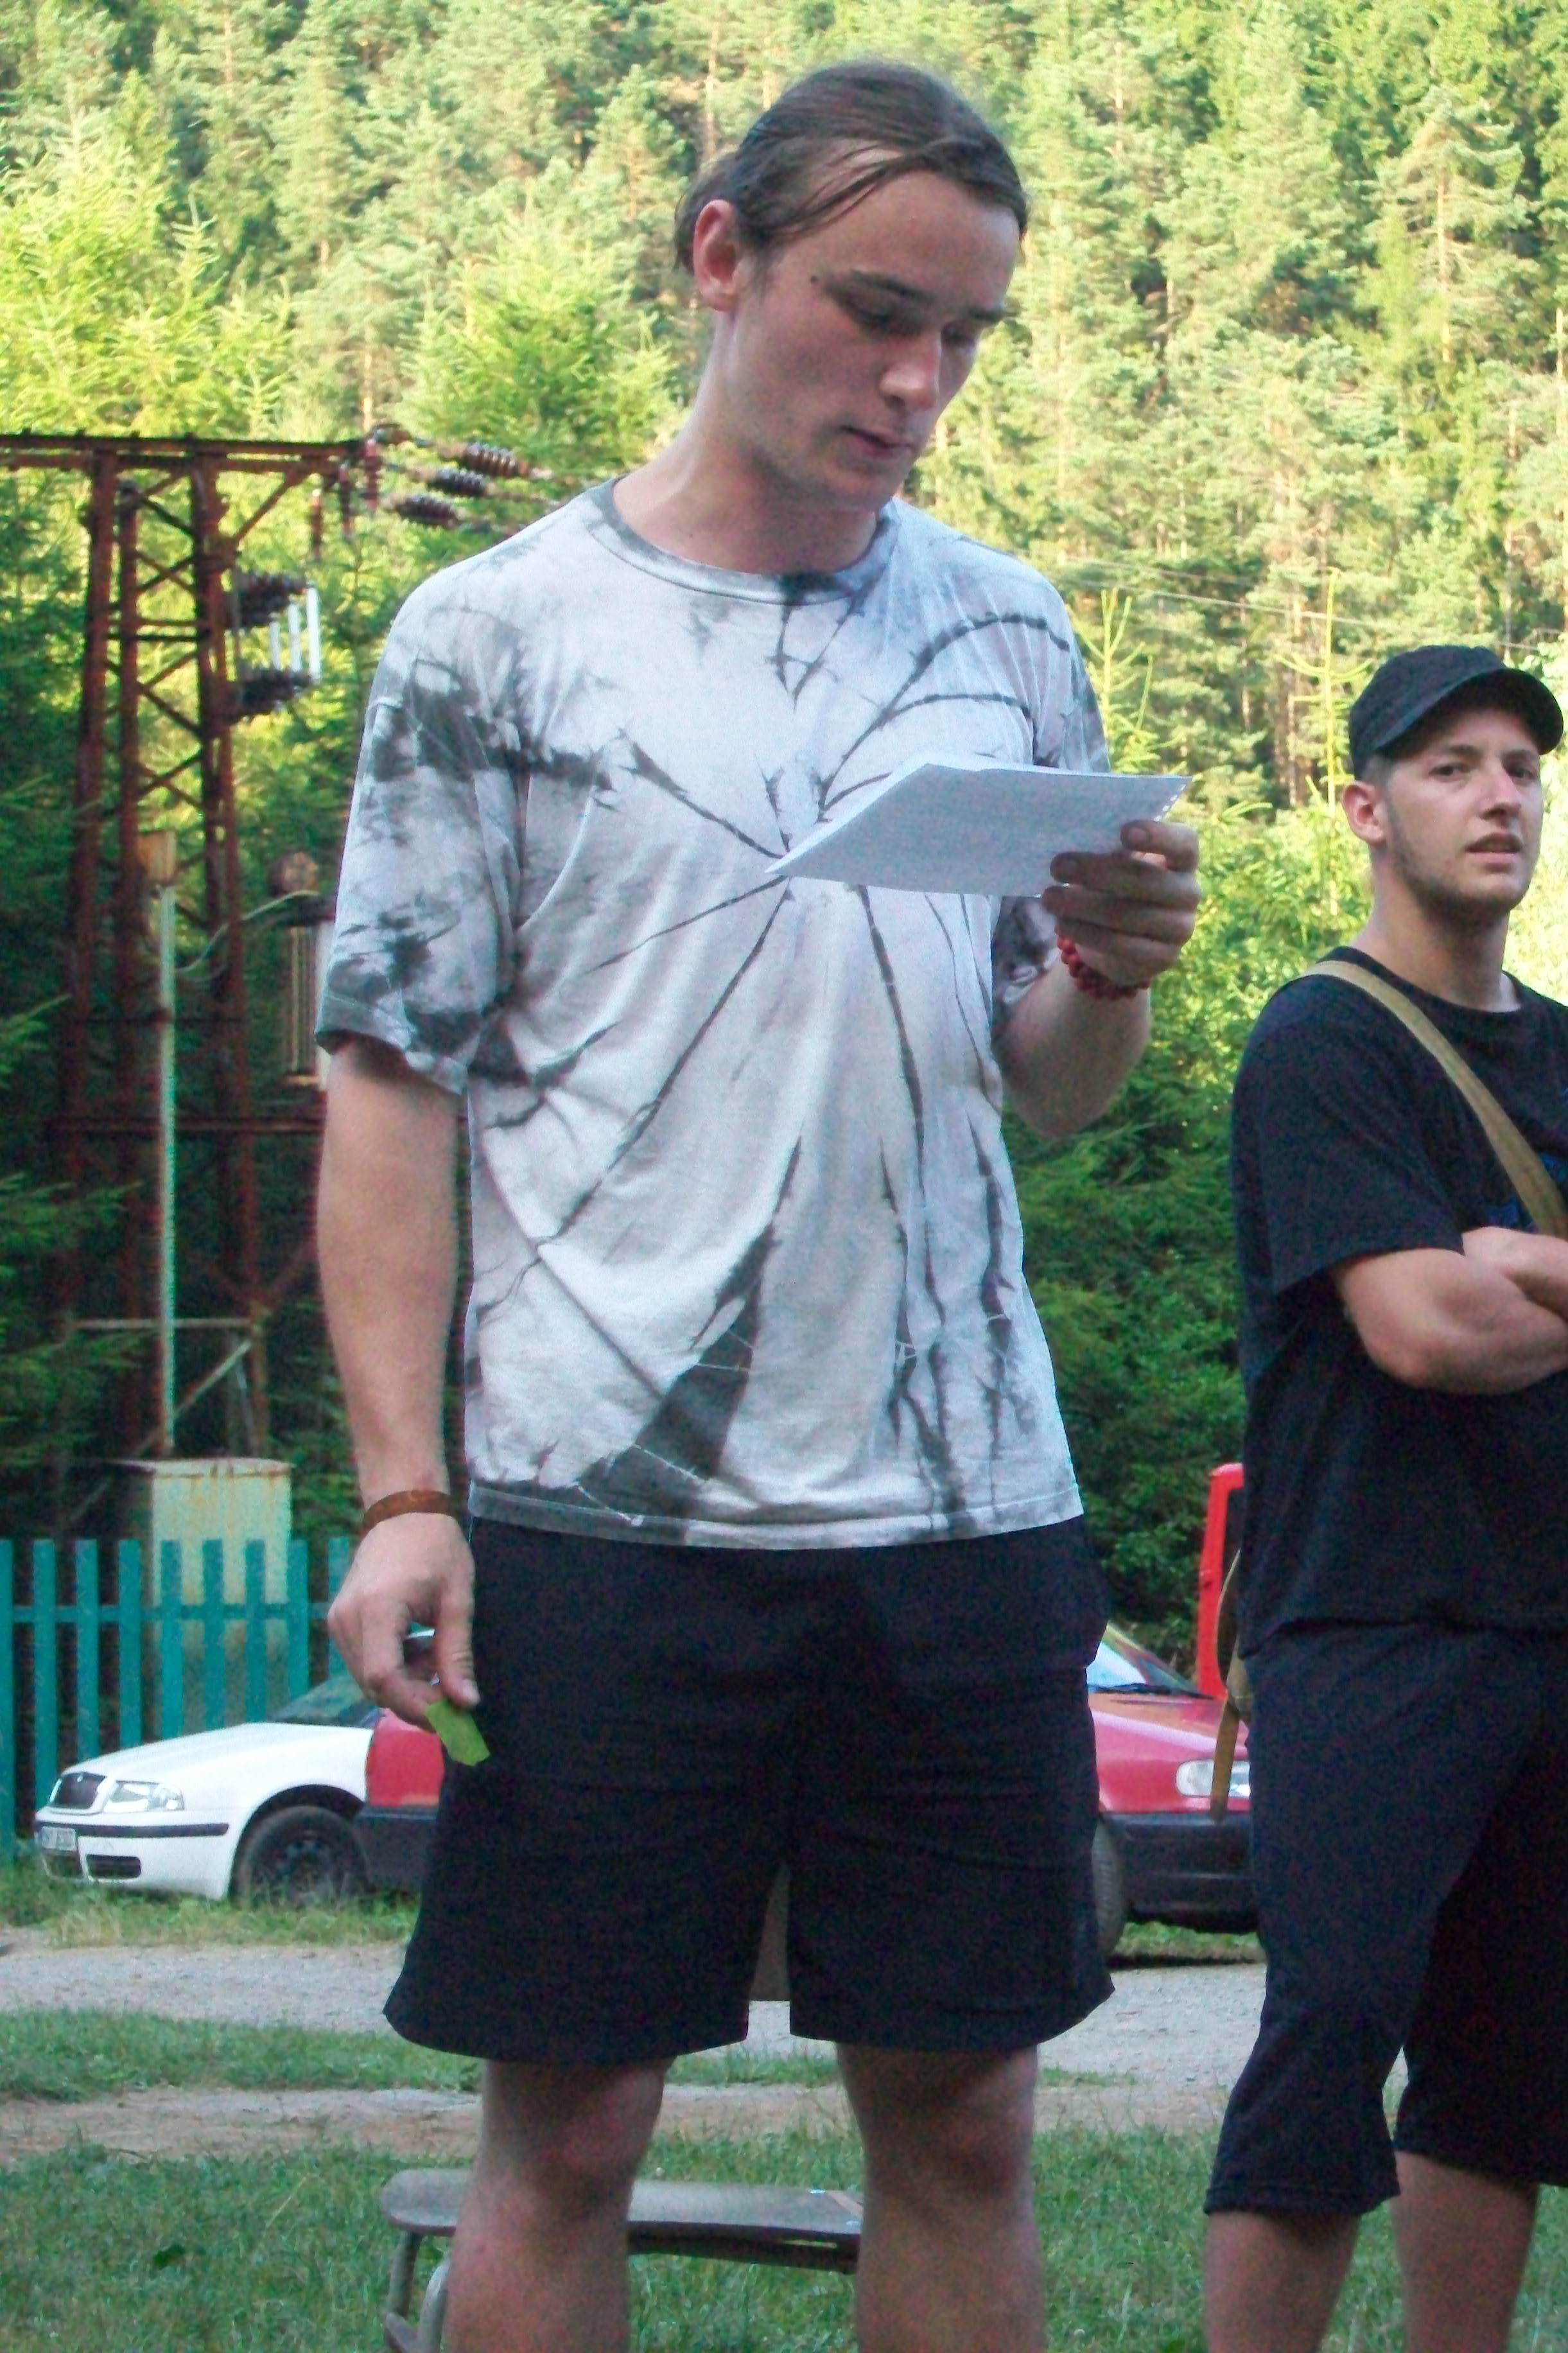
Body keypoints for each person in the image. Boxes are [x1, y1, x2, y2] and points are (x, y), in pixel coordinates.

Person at [316, 61, 1199, 2353]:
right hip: (599, 1515)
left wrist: (1107, 970)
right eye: (873, 313)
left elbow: (1043, 1086)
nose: (915, 382)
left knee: (965, 2122)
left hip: (960, 1503)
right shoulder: (494, 637)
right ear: (719, 258)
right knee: (567, 2132)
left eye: (964, 337)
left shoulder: (1004, 632)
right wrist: (404, 1496)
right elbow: (389, 1094)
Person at [1204, 643, 1568, 2353]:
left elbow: (1491, 1305)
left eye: (1520, 767)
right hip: (1369, 1620)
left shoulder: (1563, 1049)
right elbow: (1427, 1331)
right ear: (1363, 808)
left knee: (1506, 2064)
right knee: (1332, 2031)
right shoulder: (1322, 1041)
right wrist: (1494, 1280)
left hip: (1550, 1622)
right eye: (1448, 767)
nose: (1498, 797)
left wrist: (1529, 1265)